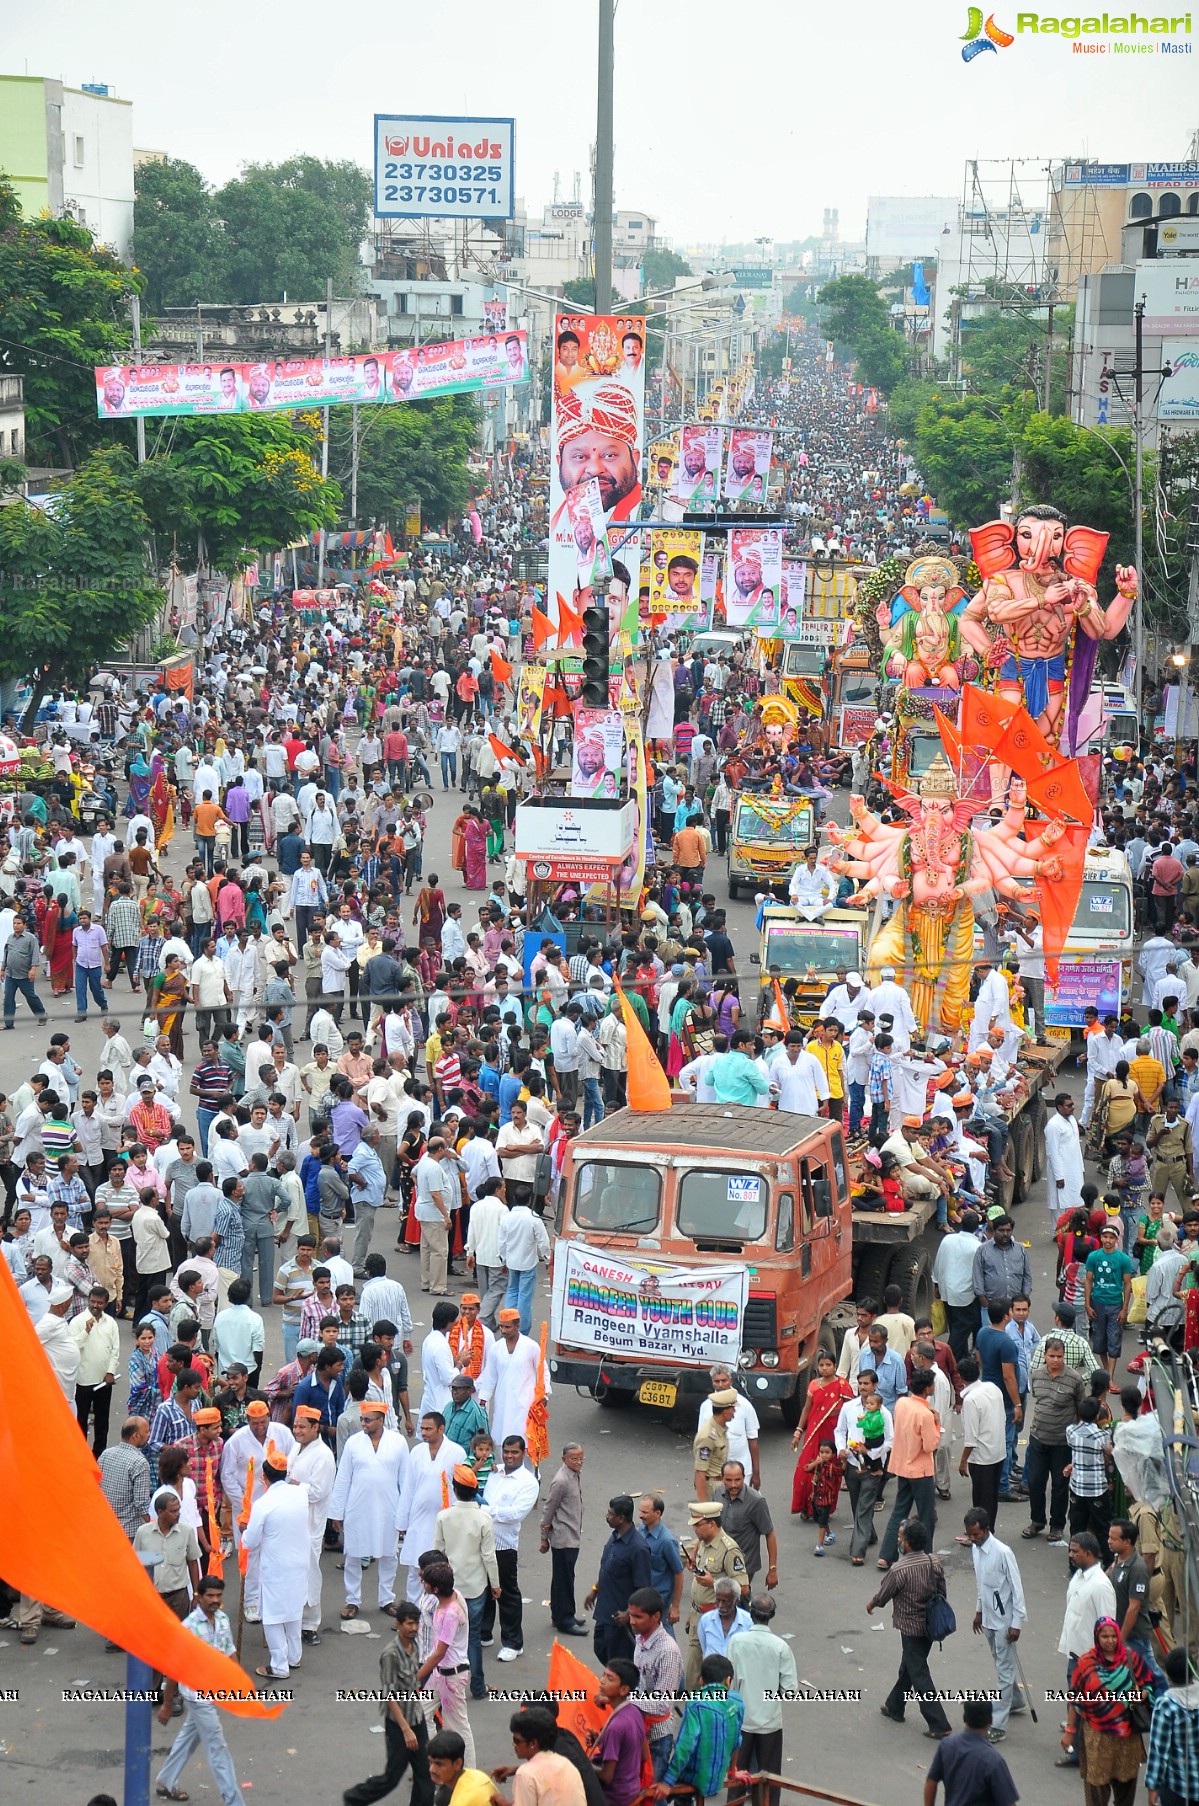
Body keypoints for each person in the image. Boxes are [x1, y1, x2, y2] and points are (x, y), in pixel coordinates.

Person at [154, 1576, 243, 1806]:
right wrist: (166, 1704)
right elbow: (174, 1669)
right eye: (210, 1595)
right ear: (199, 1596)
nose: (215, 1600)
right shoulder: (189, 1627)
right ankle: (234, 1801)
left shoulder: (222, 1619)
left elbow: (229, 1651)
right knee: (218, 1749)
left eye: (218, 1595)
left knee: (188, 1738)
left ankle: (166, 1781)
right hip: (197, 1696)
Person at [867, 1518, 953, 1739]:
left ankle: (939, 1723)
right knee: (910, 1667)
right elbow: (942, 1591)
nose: (898, 1540)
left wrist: (872, 1604)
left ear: (907, 1543)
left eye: (900, 1537)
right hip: (931, 1626)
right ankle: (894, 1706)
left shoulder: (899, 1569)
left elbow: (883, 1594)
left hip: (910, 1629)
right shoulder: (933, 1561)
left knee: (918, 1673)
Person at [342, 1599, 434, 1806]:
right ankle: (354, 1799)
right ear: (398, 1624)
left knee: (425, 1774)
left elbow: (413, 1679)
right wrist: (406, 1730)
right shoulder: (390, 1654)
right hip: (398, 1724)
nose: (414, 1628)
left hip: (416, 1716)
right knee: (392, 1778)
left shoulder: (415, 1646)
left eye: (416, 1623)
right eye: (409, 1623)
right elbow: (389, 1695)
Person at [328, 1399, 410, 1618]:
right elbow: (343, 1477)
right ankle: (352, 1600)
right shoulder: (354, 1443)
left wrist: (405, 1514)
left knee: (388, 1554)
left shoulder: (398, 1442)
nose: (363, 1423)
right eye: (362, 1419)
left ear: (381, 1420)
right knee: (353, 1554)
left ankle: (387, 1599)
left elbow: (406, 1480)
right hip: (357, 1507)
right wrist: (337, 1512)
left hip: (388, 1508)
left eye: (367, 1420)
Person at [1061, 1616, 1154, 1801]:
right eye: (1105, 1636)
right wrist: (1069, 1731)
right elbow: (1076, 1699)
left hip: (1126, 1739)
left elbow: (1149, 1686)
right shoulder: (1086, 1662)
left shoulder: (1131, 1658)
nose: (1110, 1640)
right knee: (1096, 1793)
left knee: (1126, 1793)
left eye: (1113, 1636)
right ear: (1097, 1637)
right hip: (1097, 1739)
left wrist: (1137, 1696)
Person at [241, 1438, 312, 1680]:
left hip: (276, 1569)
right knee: (293, 1611)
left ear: (264, 1477)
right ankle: (295, 1657)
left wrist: (243, 1529)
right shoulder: (300, 1494)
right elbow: (304, 1486)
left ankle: (280, 1666)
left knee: (272, 1617)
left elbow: (249, 1542)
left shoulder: (263, 1504)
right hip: (300, 1564)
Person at [433, 1462, 501, 1702]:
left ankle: (442, 1682)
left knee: (445, 1638)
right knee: (472, 1638)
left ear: (455, 1488)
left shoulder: (443, 1517)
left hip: (449, 1588)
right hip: (475, 1588)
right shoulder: (484, 1519)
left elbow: (437, 1553)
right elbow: (488, 1556)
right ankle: (478, 1686)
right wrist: (495, 1584)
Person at [725, 1594, 796, 1806]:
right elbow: (790, 1690)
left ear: (751, 1613)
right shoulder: (780, 1647)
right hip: (769, 1722)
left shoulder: (736, 1641)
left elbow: (729, 1681)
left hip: (741, 1720)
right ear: (771, 1616)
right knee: (770, 1779)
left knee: (736, 1775)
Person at [963, 1508, 1026, 1740]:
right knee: (1002, 1663)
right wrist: (979, 1611)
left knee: (1004, 1668)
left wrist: (1016, 1622)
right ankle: (1015, 1700)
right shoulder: (975, 1550)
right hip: (988, 1618)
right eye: (970, 1535)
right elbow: (981, 1584)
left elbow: (1017, 1589)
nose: (972, 1539)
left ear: (986, 1530)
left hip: (1005, 1621)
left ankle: (998, 1724)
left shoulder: (1003, 1552)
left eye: (976, 1534)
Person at [652, 1654, 744, 1801]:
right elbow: (737, 1741)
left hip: (695, 1778)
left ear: (701, 1680)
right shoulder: (737, 1702)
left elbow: (685, 1747)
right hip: (717, 1779)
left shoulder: (696, 1704)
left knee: (658, 1793)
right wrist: (732, 1771)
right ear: (728, 1681)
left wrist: (667, 1782)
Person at [481, 1434, 540, 1663]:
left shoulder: (528, 1482)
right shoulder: (494, 1474)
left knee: (506, 1593)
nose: (509, 1456)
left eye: (514, 1452)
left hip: (504, 1547)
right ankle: (484, 1633)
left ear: (523, 1453)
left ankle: (513, 1643)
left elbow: (515, 1514)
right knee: (483, 1589)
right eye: (506, 1451)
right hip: (482, 1542)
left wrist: (488, 1511)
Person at [585, 1494, 651, 1666]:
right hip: (604, 1613)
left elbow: (643, 1590)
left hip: (620, 1620)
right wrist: (594, 1590)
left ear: (621, 1518)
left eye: (610, 1513)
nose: (607, 1516)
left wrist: (629, 1614)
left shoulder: (638, 1548)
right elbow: (607, 1570)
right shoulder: (614, 1537)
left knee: (619, 1663)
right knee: (600, 1648)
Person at [923, 1700, 1020, 1806]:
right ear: (991, 1721)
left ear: (964, 1717)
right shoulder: (994, 1761)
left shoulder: (947, 1745)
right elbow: (1008, 1802)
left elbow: (931, 1782)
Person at [540, 1442, 586, 1635]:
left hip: (571, 1534)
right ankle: (565, 1620)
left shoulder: (573, 1475)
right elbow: (549, 1509)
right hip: (563, 1537)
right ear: (564, 1459)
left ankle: (560, 1614)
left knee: (562, 1577)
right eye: (574, 1458)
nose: (578, 1462)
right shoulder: (561, 1480)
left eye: (581, 1458)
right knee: (565, 1579)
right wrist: (544, 1537)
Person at [1145, 1644, 1199, 1806]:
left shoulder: (1166, 1704)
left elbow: (1159, 1751)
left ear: (1168, 1674)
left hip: (1179, 1789)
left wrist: (1152, 1786)